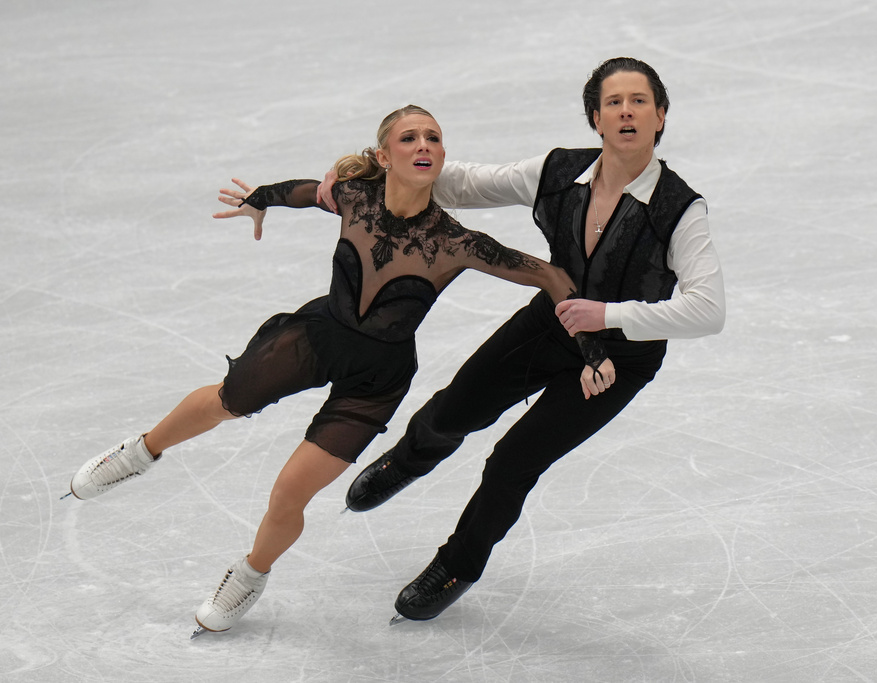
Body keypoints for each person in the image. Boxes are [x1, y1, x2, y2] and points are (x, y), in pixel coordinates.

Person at [65, 105, 614, 637]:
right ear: (385, 155)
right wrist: (259, 199)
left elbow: (551, 277)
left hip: (377, 379)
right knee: (227, 401)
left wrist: (590, 346)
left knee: (289, 492)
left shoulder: (456, 242)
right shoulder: (354, 196)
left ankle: (251, 574)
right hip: (315, 339)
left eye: (434, 138)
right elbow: (302, 192)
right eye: (409, 138)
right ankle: (140, 452)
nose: (424, 145)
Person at [319, 58, 726, 622]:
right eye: (613, 102)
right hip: (547, 326)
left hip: (620, 359)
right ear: (596, 117)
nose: (626, 112)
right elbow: (462, 182)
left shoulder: (679, 209)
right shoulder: (557, 172)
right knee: (452, 410)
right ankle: (409, 459)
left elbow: (708, 310)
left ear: (660, 116)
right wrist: (363, 173)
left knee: (513, 462)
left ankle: (457, 565)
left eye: (640, 101)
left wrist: (609, 315)